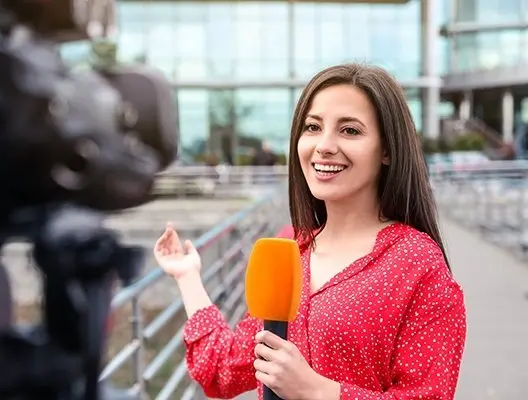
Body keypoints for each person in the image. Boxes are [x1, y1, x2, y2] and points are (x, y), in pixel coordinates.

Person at [153, 64, 467, 400]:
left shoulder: (418, 264)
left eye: (350, 130)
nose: (324, 146)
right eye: (313, 127)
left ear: (387, 149)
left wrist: (318, 391)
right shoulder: (290, 249)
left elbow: (428, 395)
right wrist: (187, 277)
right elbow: (224, 370)